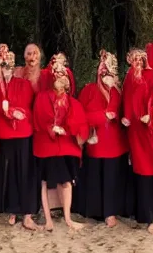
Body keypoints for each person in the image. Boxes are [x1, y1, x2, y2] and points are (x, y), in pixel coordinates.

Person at [0, 50, 39, 230]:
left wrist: (16, 111)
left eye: (9, 66)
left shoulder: (23, 84)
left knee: (25, 172)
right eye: (3, 66)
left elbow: (29, 105)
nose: (7, 70)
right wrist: (2, 110)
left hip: (22, 132)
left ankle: (28, 213)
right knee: (9, 174)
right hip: (4, 133)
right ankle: (12, 209)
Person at [33, 62, 88, 230]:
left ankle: (68, 218)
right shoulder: (43, 96)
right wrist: (51, 127)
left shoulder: (73, 102)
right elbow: (40, 117)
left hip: (65, 146)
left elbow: (80, 124)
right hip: (46, 146)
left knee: (66, 182)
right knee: (44, 182)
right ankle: (48, 219)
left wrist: (67, 129)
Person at [77, 50, 129, 227]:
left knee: (111, 178)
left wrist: (115, 91)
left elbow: (123, 113)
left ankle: (110, 213)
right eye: (101, 68)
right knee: (95, 177)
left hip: (115, 143)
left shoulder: (118, 91)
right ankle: (95, 211)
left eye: (106, 69)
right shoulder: (88, 90)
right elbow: (81, 115)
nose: (103, 72)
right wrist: (102, 115)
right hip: (95, 142)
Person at [121, 49, 153, 234]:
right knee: (142, 173)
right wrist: (125, 117)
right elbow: (126, 98)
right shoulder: (129, 78)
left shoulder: (151, 75)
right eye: (133, 59)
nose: (137, 62)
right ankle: (146, 216)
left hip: (149, 130)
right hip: (136, 131)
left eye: (140, 59)